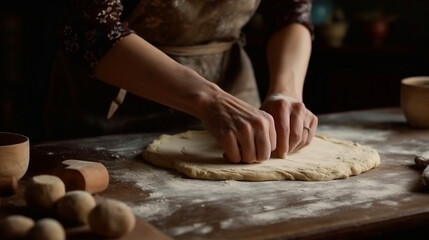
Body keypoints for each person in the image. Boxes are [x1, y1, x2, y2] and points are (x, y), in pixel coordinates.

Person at [46, 0, 318, 164]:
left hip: (230, 87)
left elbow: (290, 12)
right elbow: (87, 25)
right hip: (112, 99)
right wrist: (209, 99)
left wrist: (286, 93)